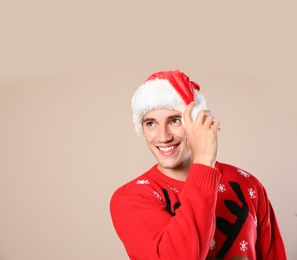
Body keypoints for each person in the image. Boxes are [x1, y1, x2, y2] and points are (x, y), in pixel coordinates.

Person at [110, 70, 287, 259]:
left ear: (197, 123)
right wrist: (203, 162)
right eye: (151, 123)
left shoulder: (246, 183)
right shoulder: (132, 197)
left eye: (175, 120)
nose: (163, 137)